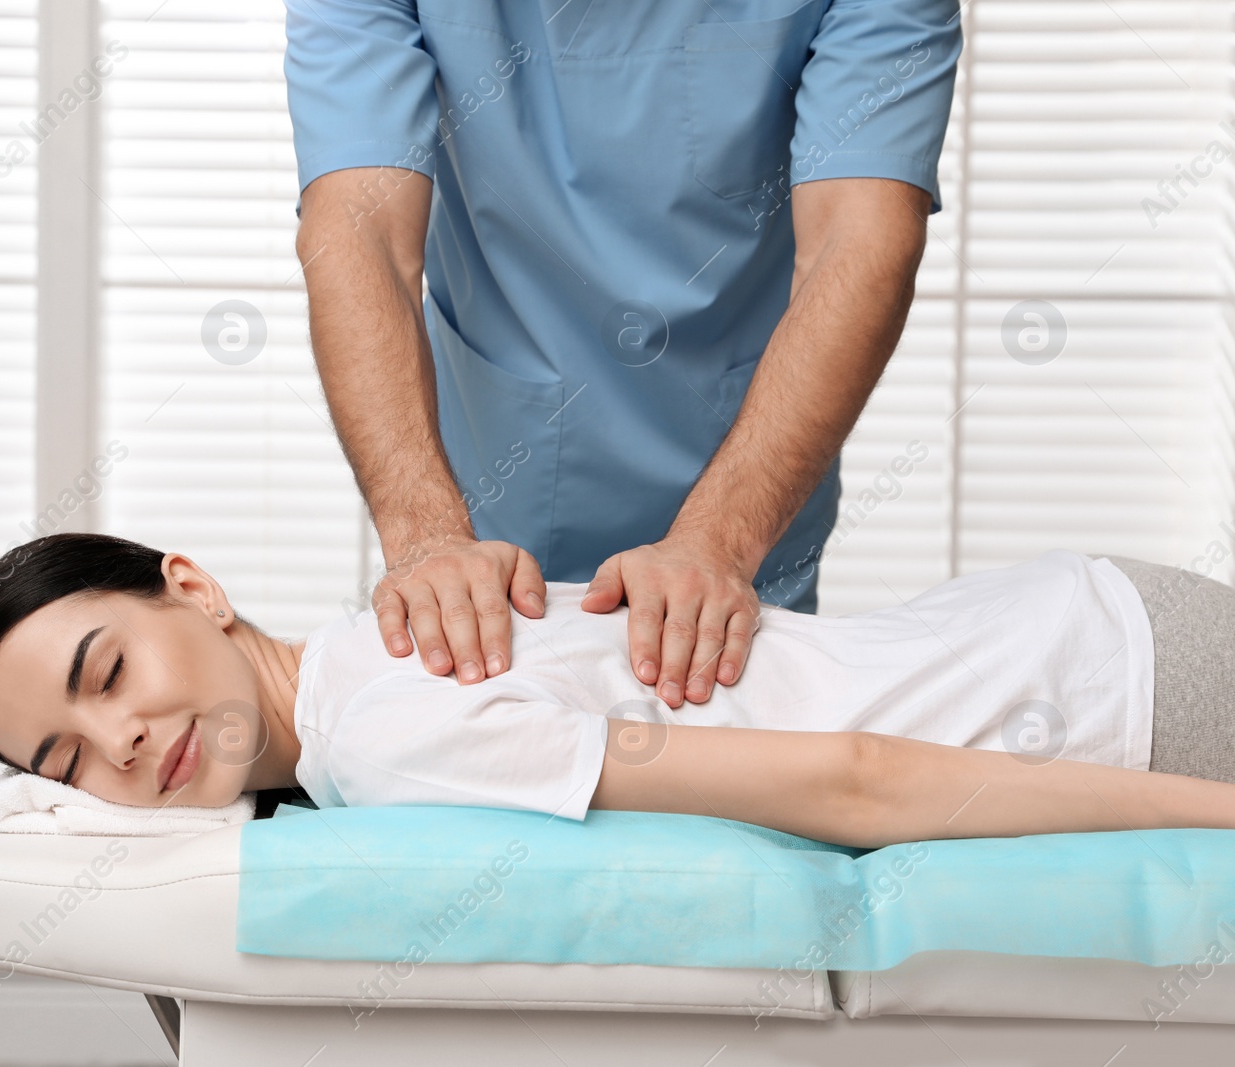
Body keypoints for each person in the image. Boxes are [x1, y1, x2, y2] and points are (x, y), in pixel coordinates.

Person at [282, 0, 962, 712]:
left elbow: (859, 244)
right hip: (488, 510)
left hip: (744, 510)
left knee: (726, 782)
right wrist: (426, 537)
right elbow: (361, 233)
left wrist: (720, 542)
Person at [0, 533, 1235, 850]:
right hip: (1070, 624)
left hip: (1113, 694)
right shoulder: (376, 651)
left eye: (105, 670)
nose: (117, 737)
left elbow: (854, 774)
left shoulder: (388, 731)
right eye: (66, 764)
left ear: (194, 584)